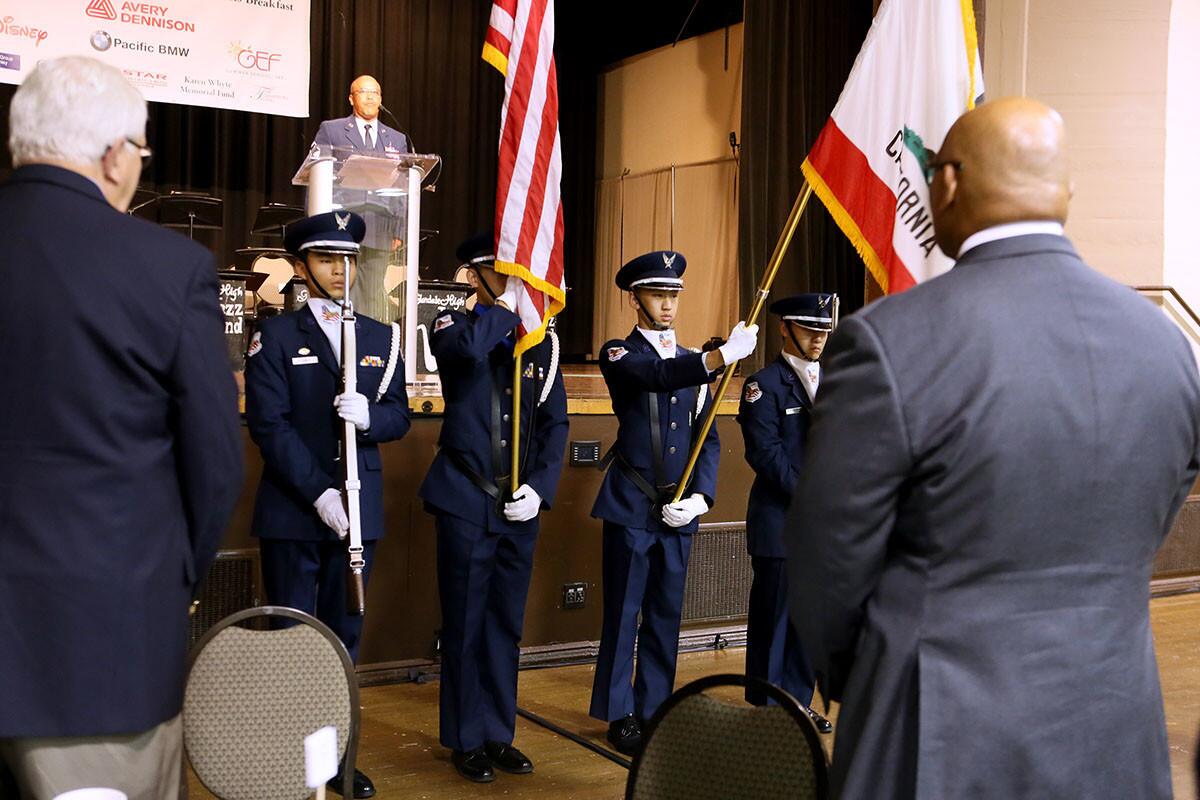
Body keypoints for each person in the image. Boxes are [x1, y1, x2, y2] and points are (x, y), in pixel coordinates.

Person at [786, 97, 1200, 799]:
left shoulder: (889, 340)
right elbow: (1159, 505)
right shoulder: (1168, 344)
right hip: (1116, 725)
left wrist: (868, 672)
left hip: (939, 728)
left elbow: (830, 552)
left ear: (946, 182)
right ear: (1064, 192)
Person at [0, 56, 243, 799]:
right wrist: (170, 580)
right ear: (115, 155)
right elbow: (214, 465)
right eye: (140, 153)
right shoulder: (168, 268)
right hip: (97, 655)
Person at [244, 210, 411, 800]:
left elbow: (399, 416)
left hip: (358, 517)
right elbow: (269, 423)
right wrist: (319, 492)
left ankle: (336, 757)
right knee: (293, 639)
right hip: (296, 511)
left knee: (343, 639)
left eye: (347, 260)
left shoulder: (379, 335)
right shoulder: (278, 336)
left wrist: (372, 418)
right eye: (325, 259)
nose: (340, 271)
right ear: (300, 266)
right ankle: (293, 763)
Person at [589, 251, 759, 755]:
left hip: (677, 510)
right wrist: (717, 359)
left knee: (665, 614)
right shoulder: (620, 353)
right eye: (657, 294)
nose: (667, 304)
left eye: (673, 295)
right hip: (631, 504)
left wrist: (701, 497)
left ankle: (655, 708)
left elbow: (706, 437)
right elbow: (657, 377)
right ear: (634, 298)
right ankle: (619, 713)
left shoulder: (692, 361)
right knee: (624, 614)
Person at [419, 233, 569, 783]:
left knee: (505, 625)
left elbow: (554, 425)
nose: (516, 283)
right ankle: (464, 738)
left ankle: (497, 732)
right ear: (475, 276)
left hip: (518, 507)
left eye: (518, 275)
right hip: (465, 497)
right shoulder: (453, 326)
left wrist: (540, 488)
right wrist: (503, 307)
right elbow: (467, 352)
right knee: (464, 623)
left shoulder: (544, 345)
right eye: (502, 272)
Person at [737, 293, 835, 733]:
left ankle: (797, 702)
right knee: (773, 619)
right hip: (781, 521)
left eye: (824, 331)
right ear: (785, 328)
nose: (818, 339)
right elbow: (765, 454)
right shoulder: (763, 385)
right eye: (810, 329)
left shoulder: (836, 381)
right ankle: (767, 707)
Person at [311, 75, 411, 323]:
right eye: (363, 92)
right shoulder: (332, 130)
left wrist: (399, 229)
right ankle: (342, 340)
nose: (369, 97)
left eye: (375, 93)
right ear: (351, 98)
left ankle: (367, 341)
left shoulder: (396, 139)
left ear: (381, 99)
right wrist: (317, 221)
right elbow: (315, 172)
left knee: (373, 291)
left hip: (381, 226)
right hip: (343, 223)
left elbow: (404, 186)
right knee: (344, 286)